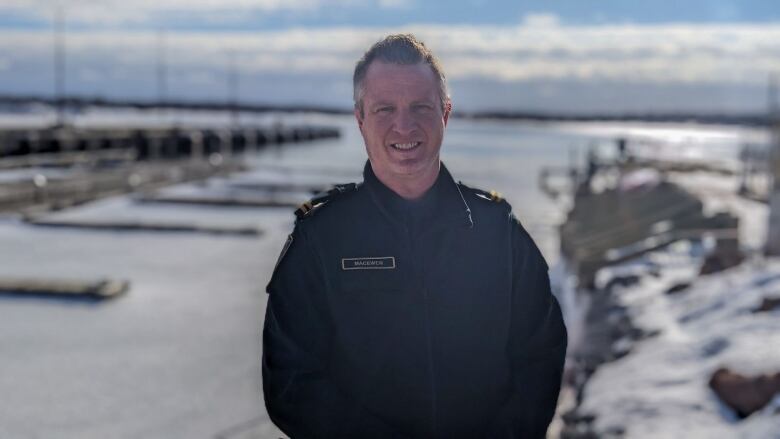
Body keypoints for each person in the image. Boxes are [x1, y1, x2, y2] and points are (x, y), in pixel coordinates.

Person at [262, 33, 567, 439]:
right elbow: (291, 381)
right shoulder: (321, 239)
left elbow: (539, 355)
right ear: (360, 119)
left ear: (445, 113)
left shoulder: (497, 231)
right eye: (385, 108)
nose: (403, 125)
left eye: (420, 106)